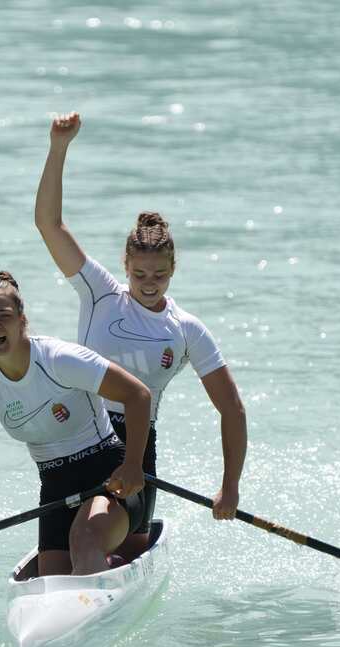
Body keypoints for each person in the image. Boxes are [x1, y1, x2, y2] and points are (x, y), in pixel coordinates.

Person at [34, 111, 247, 557]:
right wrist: (58, 148)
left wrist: (229, 487)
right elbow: (49, 225)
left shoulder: (186, 329)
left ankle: (108, 556)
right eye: (140, 273)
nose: (150, 283)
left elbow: (231, 408)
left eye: (160, 274)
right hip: (74, 443)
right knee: (61, 561)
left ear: (173, 269)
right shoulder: (100, 294)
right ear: (125, 266)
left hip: (132, 452)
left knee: (87, 542)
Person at [0, 271, 153, 577]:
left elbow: (138, 395)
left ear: (22, 320)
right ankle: (108, 566)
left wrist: (133, 465)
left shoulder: (59, 359)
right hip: (56, 492)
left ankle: (102, 562)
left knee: (84, 542)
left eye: (4, 315)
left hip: (110, 479)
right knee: (52, 579)